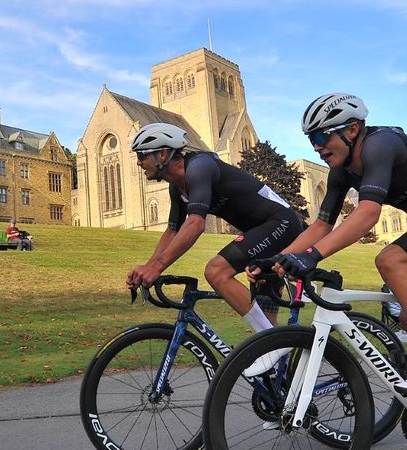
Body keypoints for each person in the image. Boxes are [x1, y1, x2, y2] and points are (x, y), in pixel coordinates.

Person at [249, 93, 407, 394]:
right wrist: (277, 259)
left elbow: (367, 214)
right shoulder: (341, 172)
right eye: (310, 138)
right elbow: (321, 225)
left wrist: (312, 256)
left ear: (352, 129)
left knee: (390, 260)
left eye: (320, 135)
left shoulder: (381, 145)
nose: (315, 145)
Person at [125, 122, 304, 336]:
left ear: (162, 153)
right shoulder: (177, 188)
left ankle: (272, 343)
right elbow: (172, 232)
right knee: (266, 318)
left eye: (142, 155)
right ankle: (277, 350)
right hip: (262, 233)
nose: (138, 162)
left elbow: (195, 224)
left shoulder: (199, 167)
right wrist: (148, 267)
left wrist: (158, 268)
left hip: (281, 224)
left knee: (216, 271)